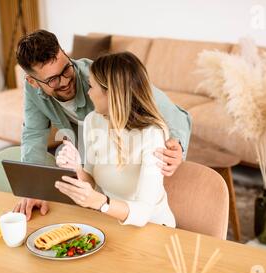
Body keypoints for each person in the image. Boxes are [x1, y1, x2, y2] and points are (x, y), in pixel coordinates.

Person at [14, 30, 191, 220]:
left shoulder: (101, 76)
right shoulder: (93, 120)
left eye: (66, 69)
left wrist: (177, 146)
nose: (65, 80)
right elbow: (33, 134)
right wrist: (33, 189)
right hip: (106, 209)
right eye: (53, 79)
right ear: (33, 82)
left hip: (139, 218)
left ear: (65, 53)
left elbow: (171, 112)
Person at [55, 52, 176, 227]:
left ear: (110, 93)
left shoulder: (152, 134)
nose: (88, 93)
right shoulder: (92, 120)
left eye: (91, 86)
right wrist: (76, 168)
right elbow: (92, 183)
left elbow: (143, 212)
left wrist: (101, 203)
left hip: (153, 227)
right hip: (110, 221)